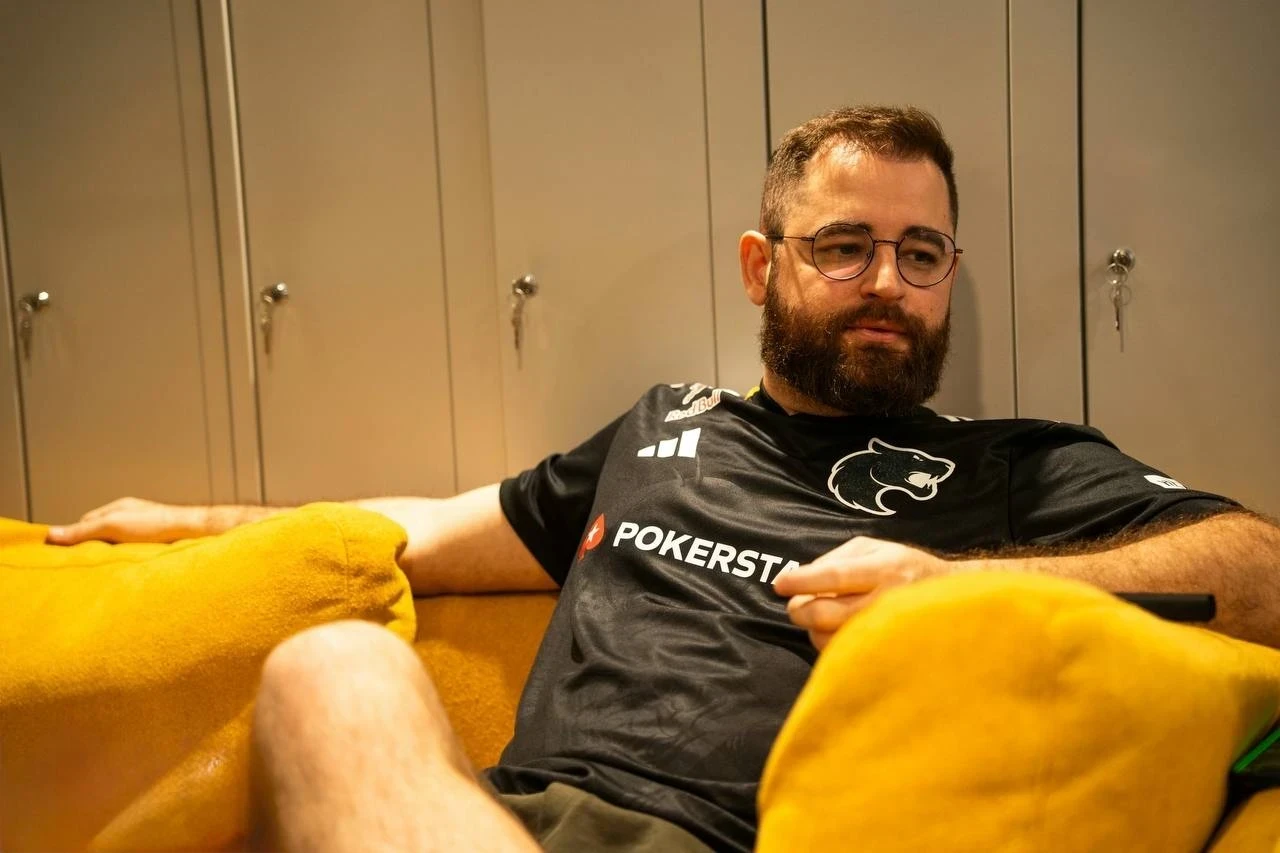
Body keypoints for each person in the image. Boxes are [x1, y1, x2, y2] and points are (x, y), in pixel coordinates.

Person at [49, 106, 1280, 853]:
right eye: (842, 245)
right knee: (330, 664)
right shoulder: (660, 429)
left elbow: (1261, 569)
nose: (885, 284)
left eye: (920, 252)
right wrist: (187, 521)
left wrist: (956, 584)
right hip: (507, 821)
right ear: (759, 266)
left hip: (738, 836)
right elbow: (416, 529)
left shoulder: (1011, 466)